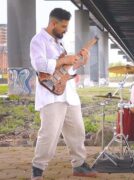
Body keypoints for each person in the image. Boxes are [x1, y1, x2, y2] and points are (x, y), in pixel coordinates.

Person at [30, 8, 97, 179]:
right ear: (53, 23)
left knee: (78, 131)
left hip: (69, 93)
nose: (65, 30)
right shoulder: (38, 41)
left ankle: (79, 165)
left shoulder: (59, 42)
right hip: (51, 95)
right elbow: (39, 64)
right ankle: (38, 169)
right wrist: (64, 60)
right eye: (63, 27)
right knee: (49, 134)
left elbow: (66, 68)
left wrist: (80, 62)